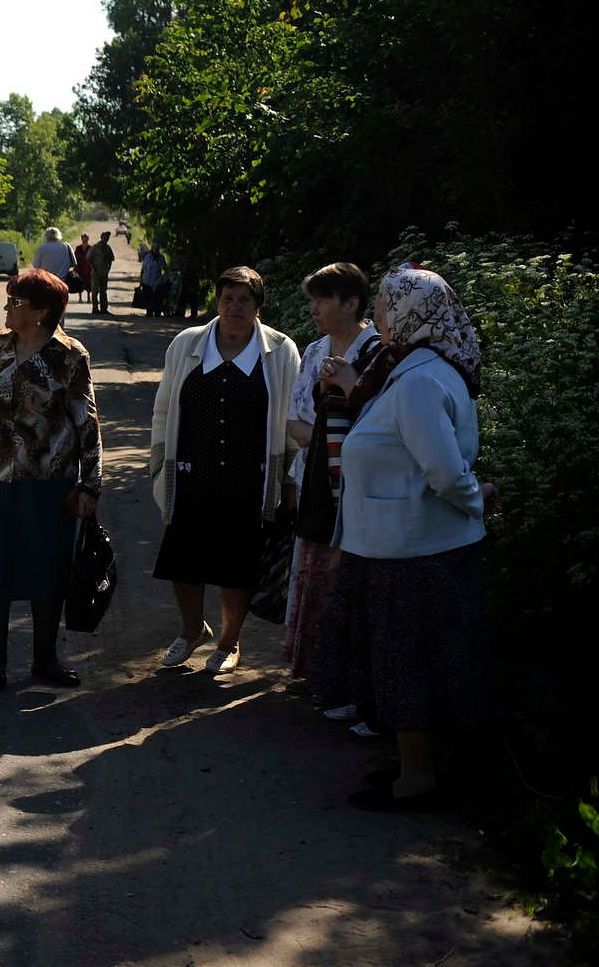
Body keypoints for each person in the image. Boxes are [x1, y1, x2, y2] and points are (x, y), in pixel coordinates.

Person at [315, 266, 497, 810]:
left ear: (410, 313)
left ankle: (420, 779)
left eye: (385, 307)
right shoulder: (407, 368)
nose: (376, 317)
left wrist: (477, 499)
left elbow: (443, 472)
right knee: (403, 666)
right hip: (396, 547)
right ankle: (416, 766)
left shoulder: (420, 380)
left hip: (417, 551)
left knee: (411, 666)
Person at [0, 268, 101, 692]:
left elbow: (87, 424)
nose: (6, 307)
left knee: (47, 572)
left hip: (49, 482)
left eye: (15, 301)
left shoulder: (70, 356)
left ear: (41, 312)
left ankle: (45, 661)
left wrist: (90, 485)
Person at [149, 266, 300, 674]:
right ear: (217, 302)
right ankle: (191, 629)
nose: (234, 307)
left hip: (249, 478)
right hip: (190, 473)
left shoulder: (281, 352)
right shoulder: (186, 344)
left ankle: (230, 642)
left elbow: (291, 418)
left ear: (258, 307)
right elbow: (164, 408)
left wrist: (289, 478)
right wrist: (158, 464)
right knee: (184, 561)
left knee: (238, 567)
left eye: (244, 300)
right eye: (227, 299)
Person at [283, 263, 381, 687]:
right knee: (313, 574)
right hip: (313, 484)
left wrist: (324, 428)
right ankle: (312, 671)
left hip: (352, 491)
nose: (315, 308)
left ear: (352, 303)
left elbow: (377, 425)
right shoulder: (313, 351)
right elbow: (294, 424)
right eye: (313, 299)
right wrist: (322, 435)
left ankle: (340, 681)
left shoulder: (376, 352)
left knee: (341, 581)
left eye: (323, 299)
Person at [89, 231, 115, 313]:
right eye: (104, 237)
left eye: (107, 238)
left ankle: (104, 308)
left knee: (103, 291)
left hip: (104, 272)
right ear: (101, 237)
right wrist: (93, 268)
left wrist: (108, 269)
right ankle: (95, 308)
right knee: (95, 291)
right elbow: (88, 258)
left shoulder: (108, 248)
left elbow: (111, 259)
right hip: (96, 272)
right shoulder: (95, 247)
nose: (106, 239)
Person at [139, 245, 167, 318]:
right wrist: (141, 280)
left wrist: (163, 279)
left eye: (157, 249)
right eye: (154, 249)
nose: (156, 251)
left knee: (156, 298)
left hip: (156, 282)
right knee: (147, 298)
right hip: (146, 281)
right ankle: (149, 312)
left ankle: (157, 312)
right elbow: (143, 269)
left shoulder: (161, 257)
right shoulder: (147, 257)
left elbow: (165, 269)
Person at [73, 234, 93, 306]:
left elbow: (93, 258)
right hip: (80, 268)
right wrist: (75, 268)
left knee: (89, 284)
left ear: (88, 239)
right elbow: (75, 257)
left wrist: (93, 268)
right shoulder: (78, 248)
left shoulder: (91, 248)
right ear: (82, 239)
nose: (85, 241)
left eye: (86, 239)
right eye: (83, 239)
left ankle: (88, 297)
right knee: (80, 283)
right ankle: (80, 298)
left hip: (88, 268)